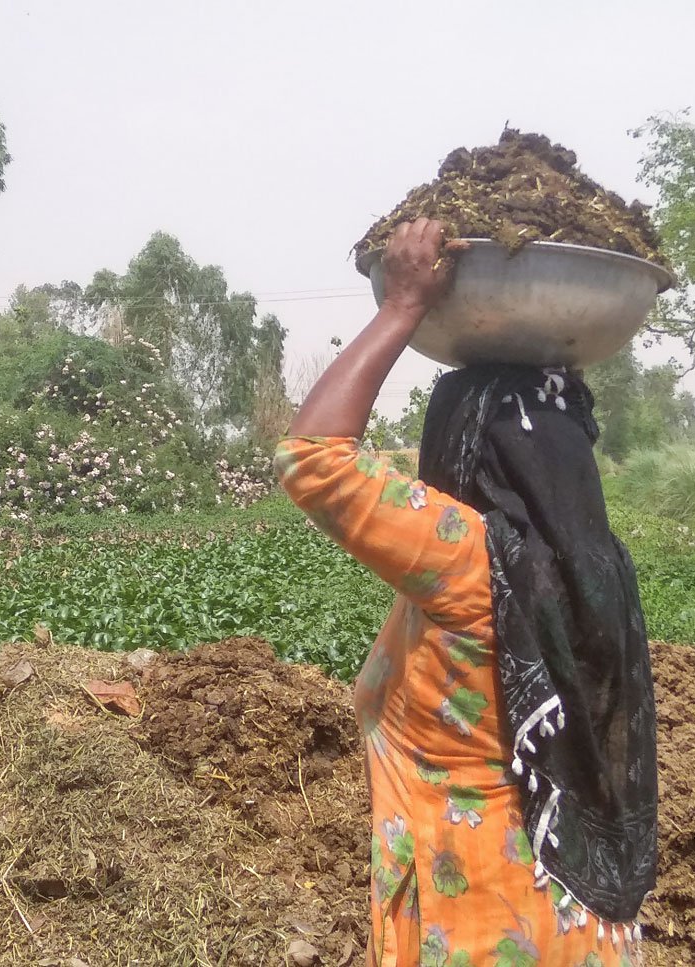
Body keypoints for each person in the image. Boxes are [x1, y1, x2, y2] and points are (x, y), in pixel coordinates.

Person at [275, 219, 657, 967]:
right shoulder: (598, 567)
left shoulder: (468, 557)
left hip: (482, 921)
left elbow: (313, 458)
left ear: (463, 449)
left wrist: (403, 308)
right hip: (580, 921)